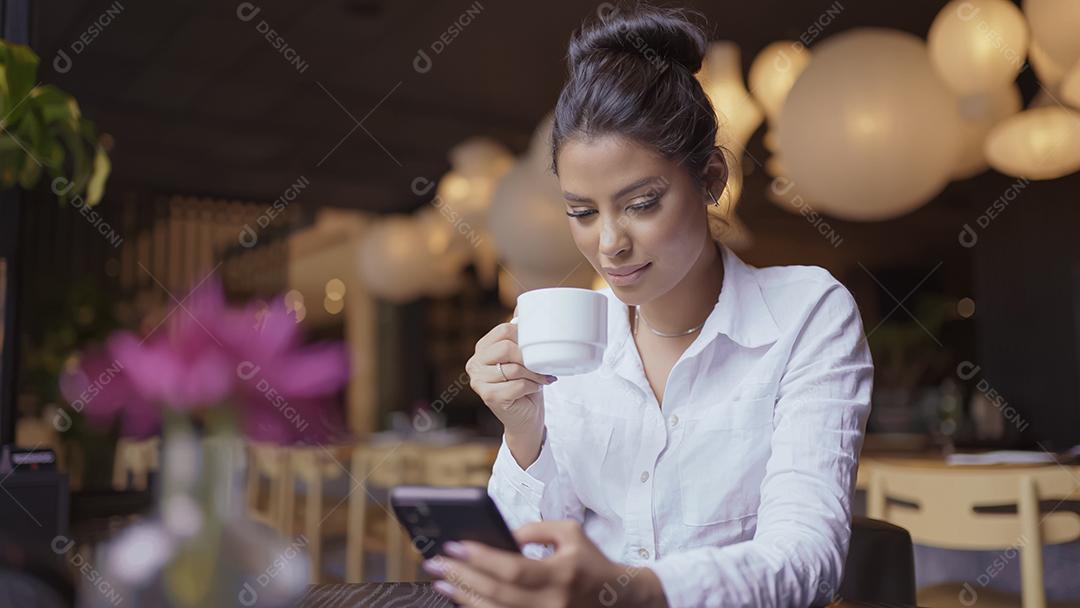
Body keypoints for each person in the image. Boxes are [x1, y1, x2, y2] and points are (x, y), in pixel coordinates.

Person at [426, 4, 874, 607]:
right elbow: (519, 568)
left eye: (641, 203)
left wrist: (633, 590)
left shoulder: (805, 313)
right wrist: (524, 433)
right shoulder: (575, 337)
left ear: (711, 178)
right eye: (582, 213)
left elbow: (806, 560)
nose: (608, 243)